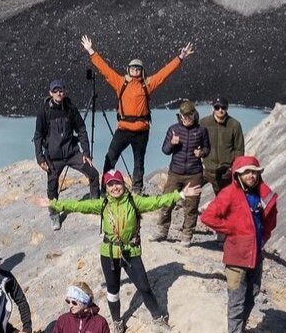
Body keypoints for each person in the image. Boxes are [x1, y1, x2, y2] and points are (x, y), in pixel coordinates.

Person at [35, 170, 203, 333]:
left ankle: (158, 320)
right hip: (109, 254)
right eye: (111, 184)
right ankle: (117, 323)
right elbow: (77, 206)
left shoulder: (134, 202)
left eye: (118, 183)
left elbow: (157, 201)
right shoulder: (102, 204)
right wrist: (52, 204)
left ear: (123, 184)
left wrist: (180, 195)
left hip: (131, 252)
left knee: (144, 287)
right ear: (106, 187)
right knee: (113, 291)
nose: (115, 187)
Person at [80, 34, 194, 188]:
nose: (135, 70)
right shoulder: (121, 83)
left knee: (138, 162)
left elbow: (164, 73)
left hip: (141, 130)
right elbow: (105, 70)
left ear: (142, 71)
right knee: (111, 157)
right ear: (128, 69)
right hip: (123, 129)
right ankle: (105, 187)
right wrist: (91, 51)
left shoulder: (147, 84)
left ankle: (137, 189)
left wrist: (180, 57)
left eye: (138, 68)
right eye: (133, 68)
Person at [199, 155, 278, 333]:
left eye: (255, 172)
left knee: (252, 294)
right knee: (236, 298)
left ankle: (242, 330)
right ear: (238, 175)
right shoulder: (229, 194)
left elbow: (270, 218)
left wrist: (264, 237)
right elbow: (207, 216)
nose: (252, 175)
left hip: (255, 253)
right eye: (247, 172)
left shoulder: (262, 193)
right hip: (236, 256)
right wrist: (231, 230)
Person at [33, 78, 100, 231]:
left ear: (64, 91)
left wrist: (86, 153)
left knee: (93, 173)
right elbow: (37, 136)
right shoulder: (44, 111)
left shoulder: (70, 108)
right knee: (52, 186)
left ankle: (95, 204)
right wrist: (40, 157)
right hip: (53, 157)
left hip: (71, 153)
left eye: (61, 90)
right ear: (50, 93)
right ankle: (54, 215)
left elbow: (81, 129)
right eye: (55, 91)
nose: (58, 93)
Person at [154, 100, 210, 242]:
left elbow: (207, 148)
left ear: (194, 114)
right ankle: (162, 231)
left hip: (194, 173)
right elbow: (165, 150)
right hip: (175, 173)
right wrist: (172, 143)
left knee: (191, 206)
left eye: (188, 115)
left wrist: (201, 153)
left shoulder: (201, 130)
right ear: (179, 115)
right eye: (183, 116)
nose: (186, 119)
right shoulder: (174, 129)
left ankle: (187, 234)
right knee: (167, 202)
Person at [200, 98, 245, 199]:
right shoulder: (203, 123)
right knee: (191, 194)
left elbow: (239, 149)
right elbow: (196, 142)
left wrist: (232, 168)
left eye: (223, 107)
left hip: (225, 172)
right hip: (206, 170)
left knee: (224, 201)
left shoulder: (234, 125)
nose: (220, 110)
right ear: (213, 108)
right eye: (217, 107)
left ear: (227, 108)